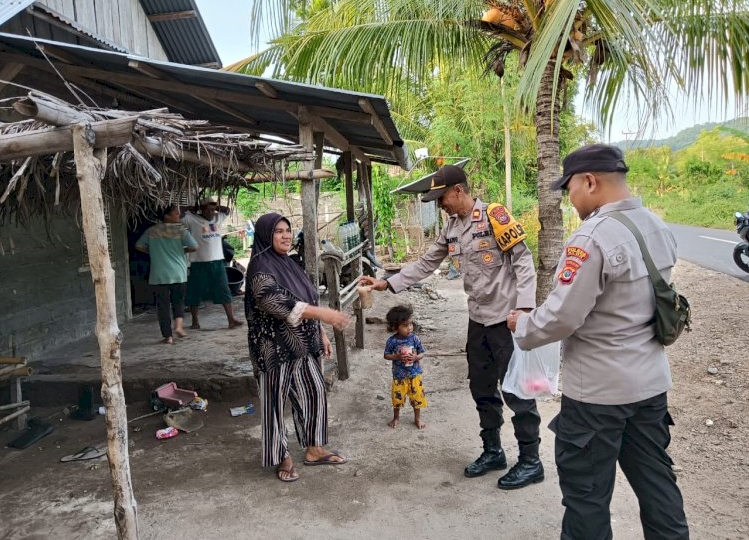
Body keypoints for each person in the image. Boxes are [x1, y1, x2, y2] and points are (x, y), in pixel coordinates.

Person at [507, 144, 690, 539]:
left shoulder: (591, 237)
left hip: (598, 397)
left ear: (590, 181)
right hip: (650, 386)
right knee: (657, 484)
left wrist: (522, 325)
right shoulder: (657, 226)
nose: (569, 199)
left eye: (569, 188)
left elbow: (561, 317)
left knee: (587, 496)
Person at [361, 165, 544, 490]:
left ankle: (531, 461)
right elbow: (426, 263)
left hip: (506, 321)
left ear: (458, 190)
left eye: (441, 197)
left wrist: (525, 308)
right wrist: (386, 284)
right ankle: (493, 451)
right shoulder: (451, 228)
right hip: (478, 322)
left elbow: (523, 260)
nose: (439, 204)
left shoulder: (495, 216)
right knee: (482, 388)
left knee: (516, 390)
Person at [245, 212, 351, 483]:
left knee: (314, 392)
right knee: (275, 404)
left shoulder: (290, 264)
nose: (286, 235)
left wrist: (321, 332)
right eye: (278, 231)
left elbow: (306, 297)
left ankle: (314, 449)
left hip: (304, 345)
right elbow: (274, 302)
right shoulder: (260, 267)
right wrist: (324, 314)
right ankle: (282, 456)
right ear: (265, 235)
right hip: (274, 349)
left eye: (288, 230)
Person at [135, 204, 198, 344]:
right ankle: (179, 327)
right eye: (176, 214)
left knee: (162, 306)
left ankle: (168, 336)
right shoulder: (181, 231)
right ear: (166, 216)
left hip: (159, 274)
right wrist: (182, 251)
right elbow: (194, 246)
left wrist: (153, 251)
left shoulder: (151, 231)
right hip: (178, 273)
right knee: (178, 302)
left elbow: (139, 246)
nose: (179, 216)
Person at [181, 196, 243, 329]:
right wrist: (193, 208)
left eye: (213, 210)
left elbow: (227, 210)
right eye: (208, 210)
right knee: (194, 292)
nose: (211, 213)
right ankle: (195, 322)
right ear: (202, 209)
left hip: (217, 263)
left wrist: (214, 206)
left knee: (224, 290)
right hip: (199, 263)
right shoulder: (191, 219)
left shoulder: (217, 217)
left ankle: (231, 320)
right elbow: (179, 213)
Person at [383, 304, 427, 429]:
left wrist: (416, 357)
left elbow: (422, 352)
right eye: (405, 325)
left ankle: (417, 419)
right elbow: (386, 355)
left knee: (417, 398)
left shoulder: (415, 339)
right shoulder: (392, 341)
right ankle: (396, 418)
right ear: (395, 327)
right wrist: (396, 357)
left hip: (414, 374)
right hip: (399, 376)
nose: (409, 328)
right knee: (397, 398)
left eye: (411, 324)